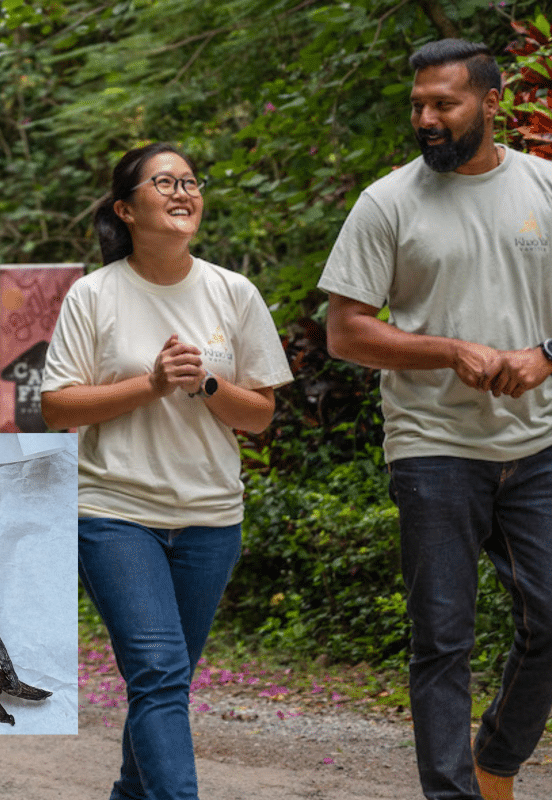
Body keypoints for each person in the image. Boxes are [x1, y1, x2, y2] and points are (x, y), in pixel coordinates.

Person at [318, 38, 552, 800]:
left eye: (443, 104)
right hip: (431, 447)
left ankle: (495, 759)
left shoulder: (545, 185)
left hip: (539, 444)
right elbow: (346, 331)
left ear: (489, 102)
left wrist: (545, 354)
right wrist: (450, 350)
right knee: (442, 640)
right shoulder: (387, 202)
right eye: (417, 104)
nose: (426, 118)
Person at [41, 142, 292, 800]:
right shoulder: (94, 296)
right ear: (126, 209)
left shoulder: (233, 292)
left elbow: (261, 414)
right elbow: (58, 407)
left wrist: (207, 383)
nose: (183, 193)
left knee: (165, 684)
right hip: (115, 515)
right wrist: (149, 384)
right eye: (164, 183)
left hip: (211, 519)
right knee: (156, 673)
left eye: (190, 182)